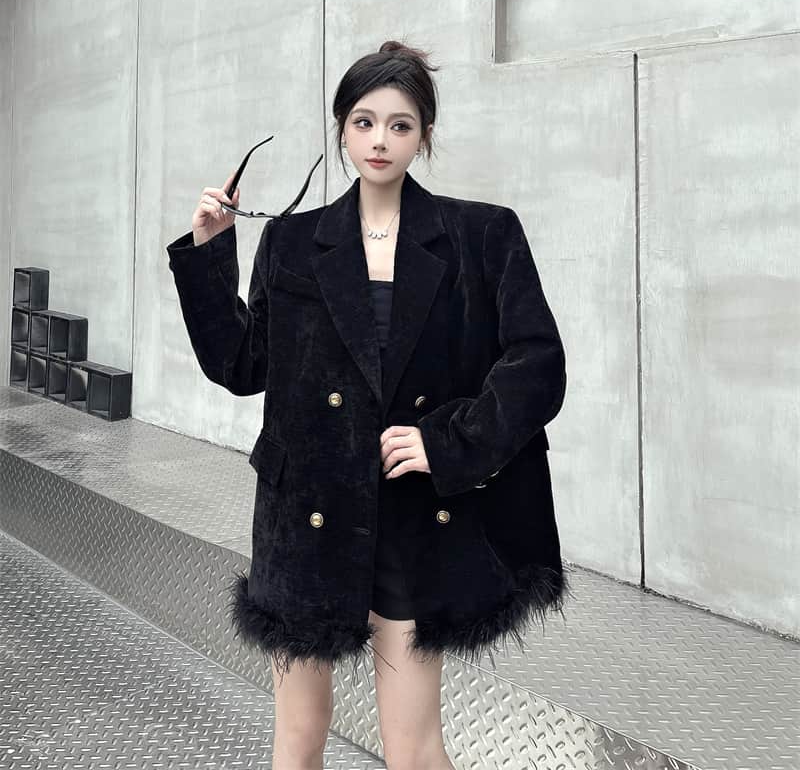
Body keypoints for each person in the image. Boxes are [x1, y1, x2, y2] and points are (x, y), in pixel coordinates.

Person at [167, 40, 569, 770]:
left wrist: (447, 442)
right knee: (297, 736)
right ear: (343, 129)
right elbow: (242, 365)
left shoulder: (481, 234)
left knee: (412, 744)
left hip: (411, 514)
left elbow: (538, 364)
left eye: (399, 124)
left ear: (424, 135)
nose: (380, 140)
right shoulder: (291, 240)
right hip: (307, 514)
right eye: (364, 122)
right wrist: (209, 252)